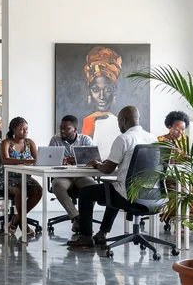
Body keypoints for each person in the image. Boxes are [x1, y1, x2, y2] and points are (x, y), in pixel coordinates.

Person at [67, 106, 157, 248]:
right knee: (113, 188)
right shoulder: (153, 138)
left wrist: (97, 164)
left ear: (123, 120)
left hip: (128, 196)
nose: (119, 126)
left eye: (118, 123)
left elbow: (108, 169)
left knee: (86, 192)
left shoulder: (124, 139)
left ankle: (86, 237)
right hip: (152, 195)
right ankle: (102, 233)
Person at [48, 115, 96, 229]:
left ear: (75, 129)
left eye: (66, 128)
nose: (62, 131)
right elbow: (50, 160)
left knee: (94, 187)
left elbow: (94, 159)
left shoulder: (86, 140)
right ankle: (77, 217)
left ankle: (81, 217)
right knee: (57, 185)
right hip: (63, 176)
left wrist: (71, 159)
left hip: (82, 176)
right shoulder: (55, 140)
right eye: (61, 127)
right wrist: (62, 161)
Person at [0, 117, 43, 238]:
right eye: (22, 129)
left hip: (25, 177)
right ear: (14, 130)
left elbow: (37, 160)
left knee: (38, 190)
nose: (25, 131)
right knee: (20, 190)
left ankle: (16, 220)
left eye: (26, 129)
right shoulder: (6, 142)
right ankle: (23, 224)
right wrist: (25, 161)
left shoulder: (29, 143)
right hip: (7, 177)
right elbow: (5, 160)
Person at [81, 46, 122, 156]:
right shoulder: (85, 122)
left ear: (114, 92)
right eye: (96, 90)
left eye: (107, 89)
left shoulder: (119, 123)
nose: (102, 96)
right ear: (89, 93)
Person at [157, 110, 193, 226]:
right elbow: (166, 160)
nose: (181, 132)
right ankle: (174, 218)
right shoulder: (161, 140)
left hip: (183, 175)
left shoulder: (185, 139)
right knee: (179, 192)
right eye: (178, 129)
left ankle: (189, 220)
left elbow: (185, 157)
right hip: (168, 176)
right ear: (169, 126)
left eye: (183, 129)